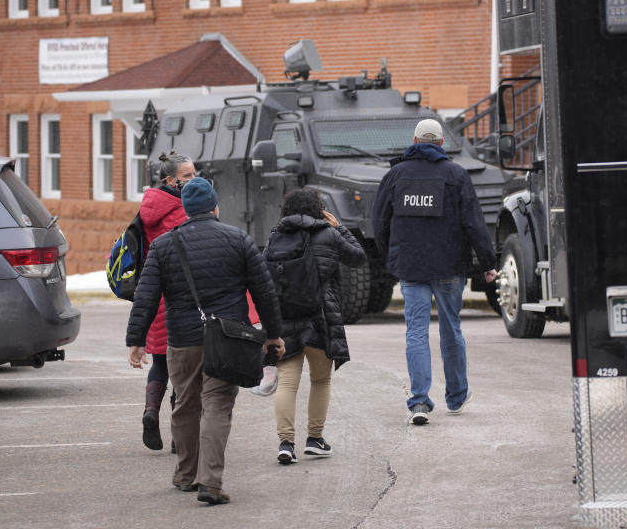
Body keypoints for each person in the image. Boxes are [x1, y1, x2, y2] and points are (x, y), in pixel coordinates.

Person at [126, 177, 285, 505]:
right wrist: (272, 335)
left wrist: (136, 340)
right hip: (227, 339)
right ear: (215, 206)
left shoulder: (165, 245)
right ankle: (210, 482)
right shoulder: (238, 239)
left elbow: (146, 295)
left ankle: (186, 475)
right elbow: (264, 291)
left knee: (185, 404)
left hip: (182, 340)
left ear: (185, 208)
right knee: (217, 406)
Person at [371, 118, 498, 426]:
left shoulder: (395, 175)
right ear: (442, 144)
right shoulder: (456, 175)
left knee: (415, 331)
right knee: (451, 329)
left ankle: (418, 402)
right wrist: (488, 262)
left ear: (414, 141)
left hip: (411, 267)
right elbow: (473, 223)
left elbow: (379, 223)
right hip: (449, 267)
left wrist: (392, 255)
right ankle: (455, 397)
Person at [267, 190, 366, 465]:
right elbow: (358, 257)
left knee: (287, 383)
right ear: (319, 210)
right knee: (320, 380)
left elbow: (265, 277)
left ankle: (286, 444)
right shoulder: (329, 234)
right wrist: (341, 228)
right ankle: (315, 439)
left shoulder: (276, 235)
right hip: (320, 318)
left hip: (286, 319)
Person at [137, 151, 194, 452]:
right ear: (171, 179)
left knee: (161, 361)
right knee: (184, 367)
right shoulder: (182, 209)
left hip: (155, 290)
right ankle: (177, 435)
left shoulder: (149, 204)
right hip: (182, 294)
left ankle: (149, 412)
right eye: (187, 176)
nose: (193, 180)